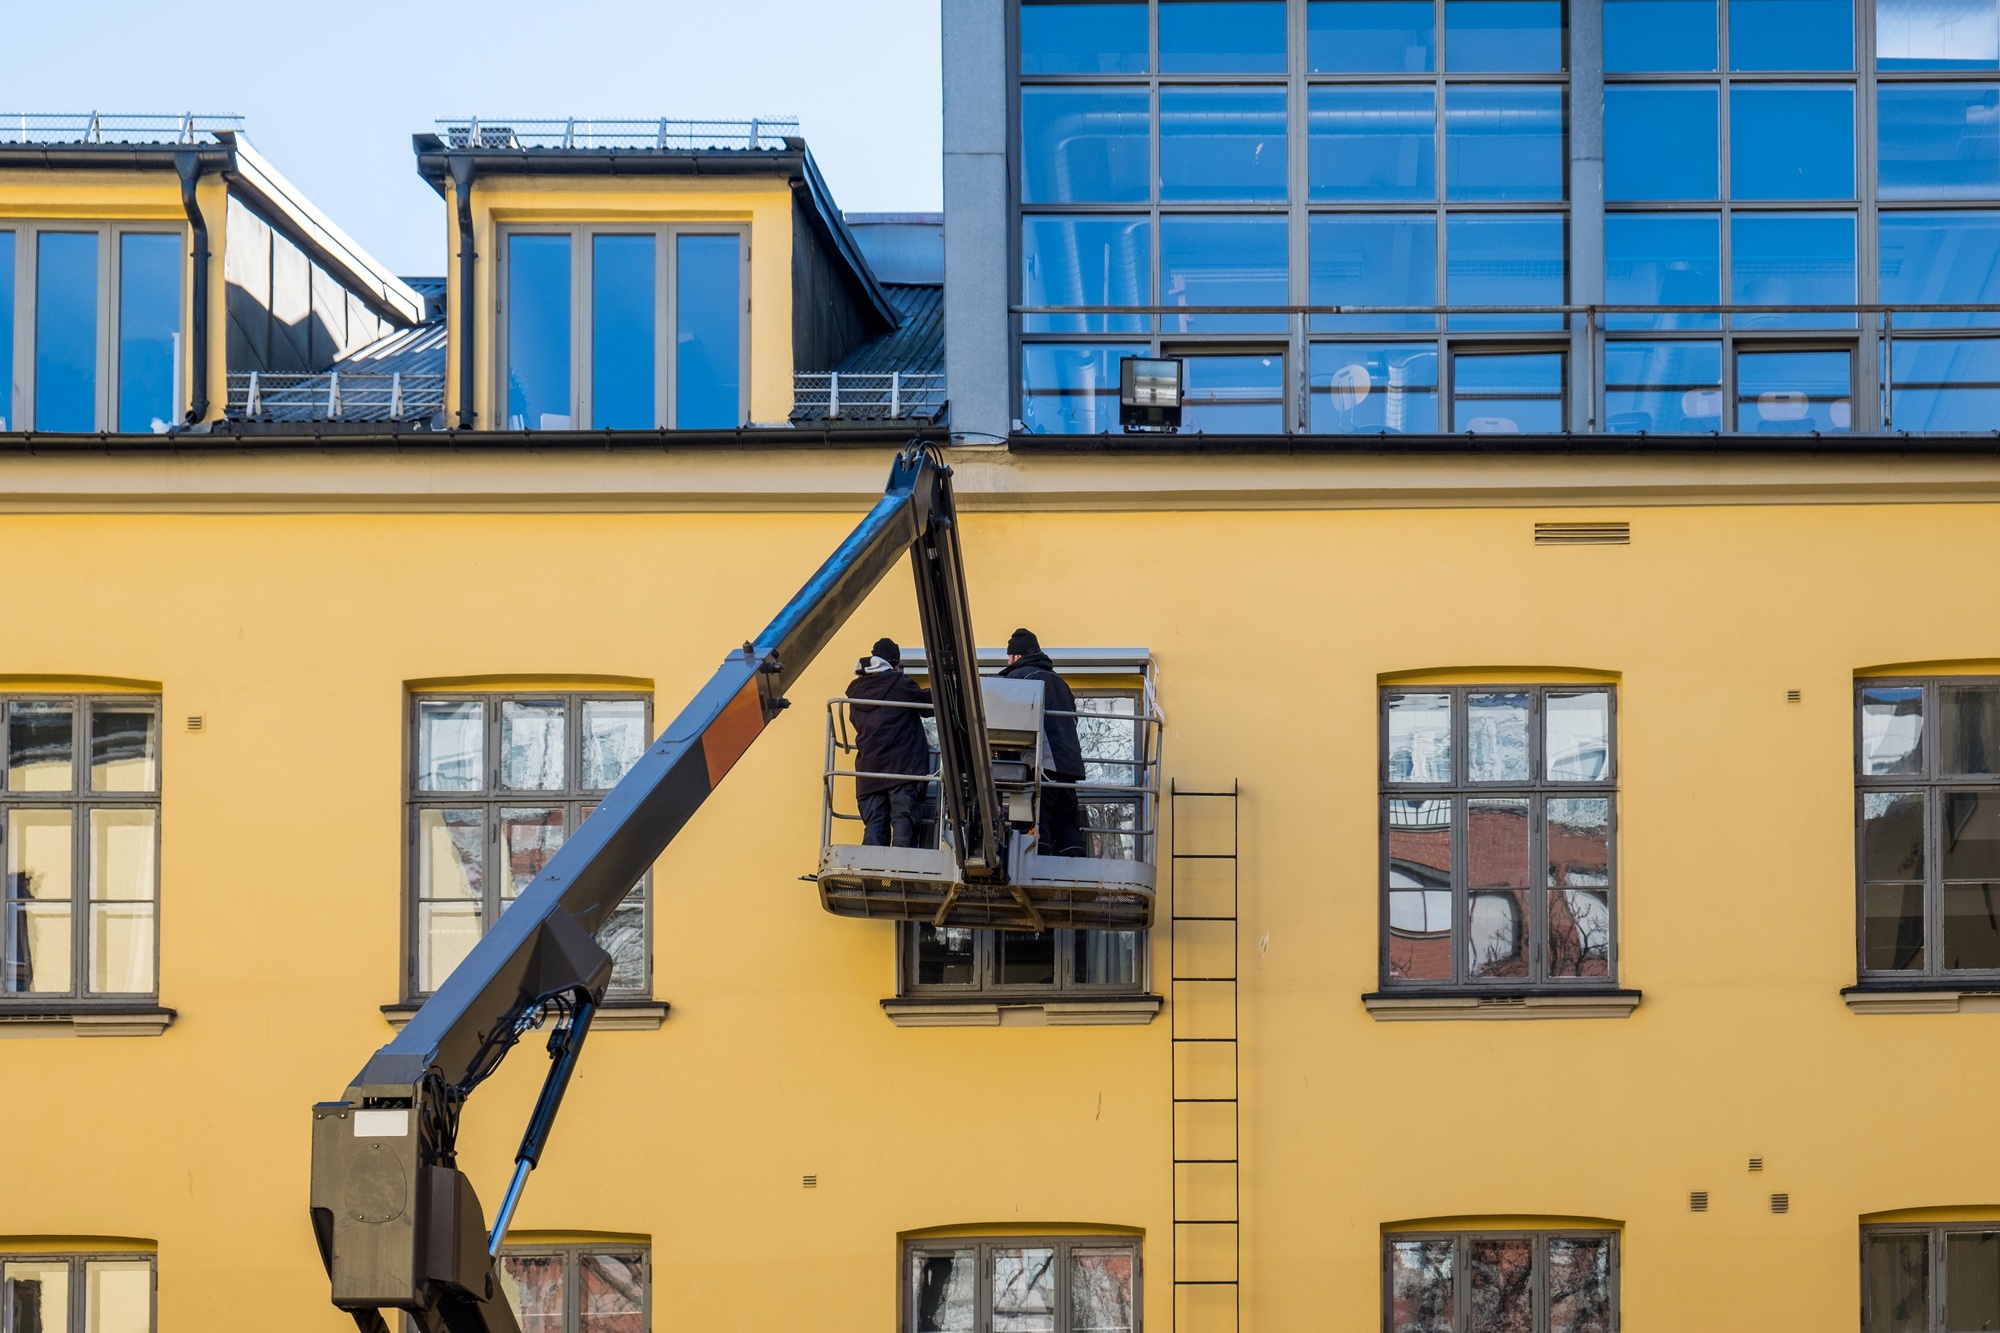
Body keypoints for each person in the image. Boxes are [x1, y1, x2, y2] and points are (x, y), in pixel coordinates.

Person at [1000, 628, 1088, 857]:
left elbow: (1007, 725)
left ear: (1016, 656)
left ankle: (1038, 871)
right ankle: (1075, 867)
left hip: (1039, 763)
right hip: (1069, 767)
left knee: (1036, 820)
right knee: (1066, 822)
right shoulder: (1061, 682)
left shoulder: (1019, 678)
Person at [848, 637, 934, 848]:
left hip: (868, 772)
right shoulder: (898, 683)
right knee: (903, 823)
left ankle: (869, 872)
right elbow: (929, 705)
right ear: (894, 663)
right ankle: (901, 873)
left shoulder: (856, 690)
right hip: (900, 770)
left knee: (874, 826)